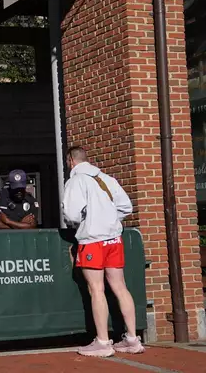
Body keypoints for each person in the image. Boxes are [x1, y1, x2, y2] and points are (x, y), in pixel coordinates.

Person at [62, 146, 144, 357]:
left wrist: (91, 219)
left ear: (71, 161)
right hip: (114, 238)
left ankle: (102, 341)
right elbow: (126, 206)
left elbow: (71, 214)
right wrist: (108, 217)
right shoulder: (106, 179)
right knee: (120, 286)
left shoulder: (76, 181)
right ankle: (133, 339)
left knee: (96, 289)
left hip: (93, 240)